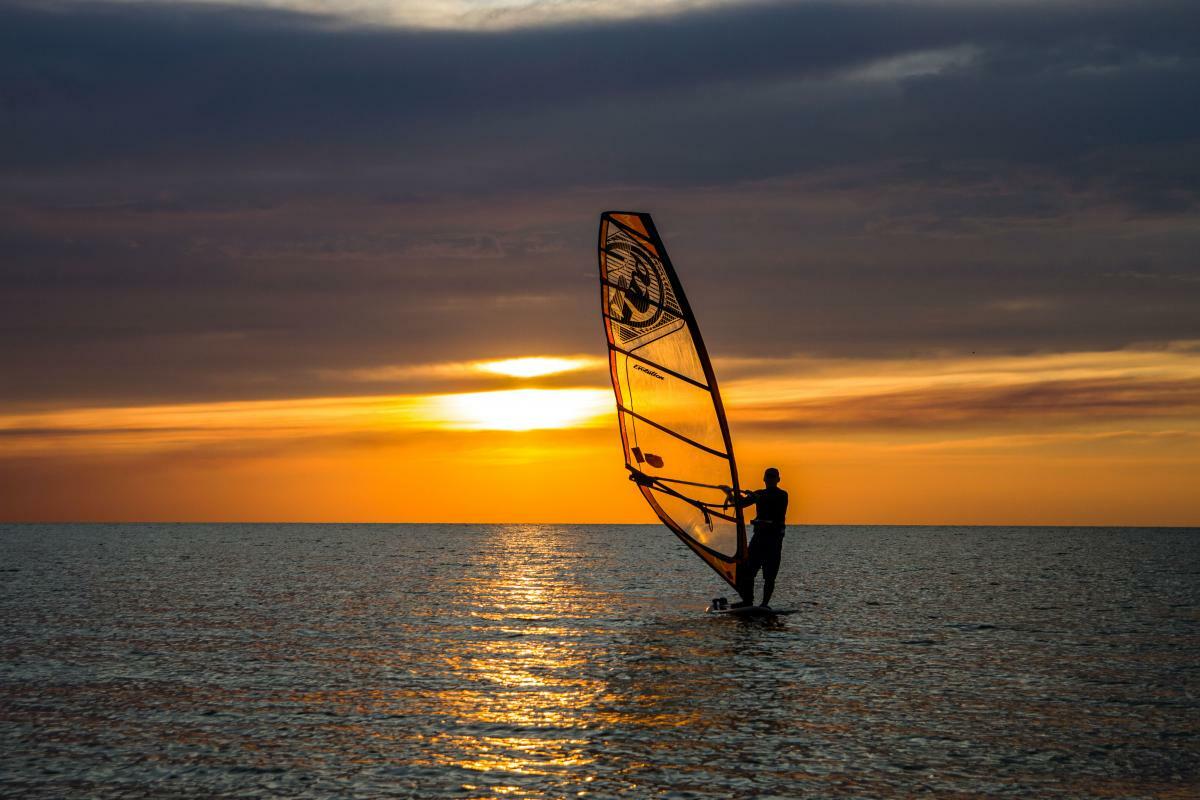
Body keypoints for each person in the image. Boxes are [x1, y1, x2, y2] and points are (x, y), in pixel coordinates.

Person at [725, 467, 788, 608]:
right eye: (768, 476)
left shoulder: (782, 495)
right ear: (764, 479)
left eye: (773, 477)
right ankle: (748, 601)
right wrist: (728, 493)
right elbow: (739, 504)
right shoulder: (758, 494)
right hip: (759, 539)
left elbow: (770, 499)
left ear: (778, 480)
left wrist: (755, 496)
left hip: (773, 541)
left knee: (769, 576)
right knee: (747, 571)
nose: (771, 479)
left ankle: (764, 604)